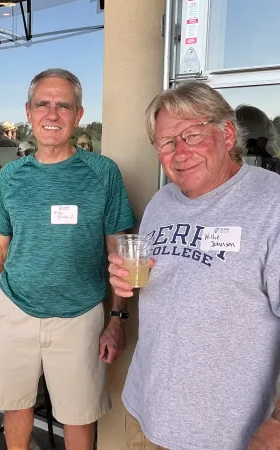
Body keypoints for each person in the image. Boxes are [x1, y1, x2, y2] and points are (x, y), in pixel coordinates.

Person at [107, 81, 280, 450]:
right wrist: (124, 291)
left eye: (192, 135)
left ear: (227, 133)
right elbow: (156, 276)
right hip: (146, 411)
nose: (179, 152)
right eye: (167, 143)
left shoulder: (272, 202)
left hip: (228, 433)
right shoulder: (162, 202)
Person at [0, 68, 136, 450]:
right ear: (29, 112)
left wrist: (117, 319)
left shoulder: (103, 173)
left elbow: (118, 251)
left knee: (78, 415)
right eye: (43, 105)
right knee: (14, 406)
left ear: (79, 114)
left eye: (63, 105)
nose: (52, 115)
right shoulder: (10, 177)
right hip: (15, 309)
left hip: (80, 316)